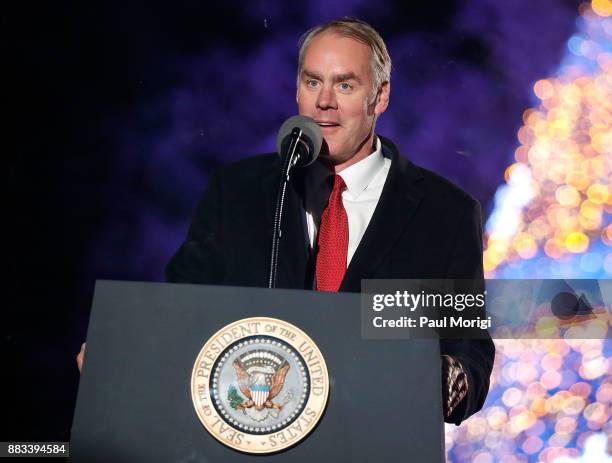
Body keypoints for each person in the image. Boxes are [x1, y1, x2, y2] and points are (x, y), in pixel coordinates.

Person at [78, 18, 494, 425]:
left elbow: (469, 364)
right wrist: (124, 352)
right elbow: (181, 314)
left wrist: (418, 373)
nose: (323, 101)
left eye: (345, 85)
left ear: (380, 97)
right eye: (312, 82)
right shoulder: (238, 192)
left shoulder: (445, 213)